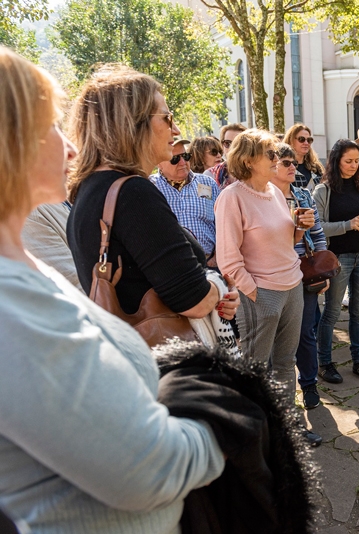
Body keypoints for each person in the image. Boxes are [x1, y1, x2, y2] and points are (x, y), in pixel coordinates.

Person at [0, 46, 225, 533]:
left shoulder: (79, 203)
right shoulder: (12, 303)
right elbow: (148, 470)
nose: (71, 148)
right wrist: (238, 414)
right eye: (49, 126)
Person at [67, 64, 239, 335]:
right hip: (163, 362)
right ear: (133, 123)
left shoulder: (90, 189)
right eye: (167, 118)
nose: (175, 129)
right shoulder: (132, 193)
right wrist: (218, 287)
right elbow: (193, 300)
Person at [215, 129, 314, 394]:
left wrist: (301, 228)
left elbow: (286, 242)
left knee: (284, 363)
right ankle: (255, 432)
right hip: (262, 293)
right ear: (248, 160)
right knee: (253, 370)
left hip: (293, 287)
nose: (277, 158)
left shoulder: (274, 191)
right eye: (269, 153)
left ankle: (286, 429)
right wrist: (255, 293)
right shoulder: (231, 197)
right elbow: (228, 258)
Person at [313, 139, 359, 384]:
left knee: (357, 312)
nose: (354, 165)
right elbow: (317, 228)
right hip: (337, 260)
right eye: (348, 161)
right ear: (336, 161)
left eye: (357, 161)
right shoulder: (323, 191)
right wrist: (347, 225)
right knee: (331, 313)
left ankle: (358, 361)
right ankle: (324, 363)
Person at [271, 142, 328, 410]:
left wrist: (323, 266)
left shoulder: (302, 196)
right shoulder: (262, 198)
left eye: (294, 162)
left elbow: (318, 234)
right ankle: (278, 396)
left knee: (305, 332)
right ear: (271, 166)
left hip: (303, 274)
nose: (294, 166)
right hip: (271, 275)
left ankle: (309, 384)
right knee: (275, 339)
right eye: (287, 163)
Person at [150, 138, 220, 262]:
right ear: (158, 163)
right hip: (170, 266)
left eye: (185, 156)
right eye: (175, 159)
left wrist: (217, 256)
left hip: (209, 262)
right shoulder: (150, 187)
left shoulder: (208, 183)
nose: (182, 162)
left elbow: (222, 224)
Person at [285, 123, 325, 190]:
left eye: (309, 140)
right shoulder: (285, 167)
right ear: (291, 140)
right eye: (301, 139)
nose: (306, 143)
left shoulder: (316, 167)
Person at [208, 122, 246, 189]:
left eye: (237, 144)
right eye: (227, 143)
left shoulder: (256, 174)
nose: (232, 148)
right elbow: (204, 199)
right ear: (222, 146)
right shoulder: (210, 175)